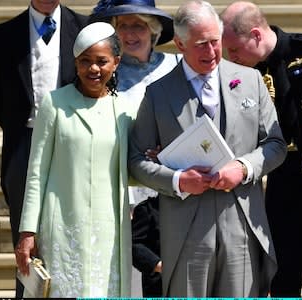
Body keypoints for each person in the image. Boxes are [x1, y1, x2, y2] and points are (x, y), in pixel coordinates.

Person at [128, 0, 287, 297]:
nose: (212, 52)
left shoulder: (252, 80)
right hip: (185, 229)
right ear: (179, 43)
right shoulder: (158, 93)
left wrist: (244, 168)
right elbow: (136, 160)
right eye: (201, 44)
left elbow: (275, 145)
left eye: (215, 42)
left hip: (241, 222)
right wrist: (177, 180)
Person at [220, 1, 302, 296]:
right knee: (283, 273)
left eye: (235, 50)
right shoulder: (240, 73)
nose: (231, 57)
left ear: (256, 35)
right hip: (281, 183)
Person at [14, 22, 136, 297]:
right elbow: (37, 172)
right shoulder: (54, 103)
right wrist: (27, 232)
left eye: (101, 61)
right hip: (62, 228)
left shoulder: (125, 109)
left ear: (116, 62)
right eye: (85, 61)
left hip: (109, 232)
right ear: (76, 63)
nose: (93, 69)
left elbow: (133, 167)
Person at [0, 1, 86, 297]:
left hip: (73, 142)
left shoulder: (83, 26)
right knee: (25, 233)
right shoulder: (5, 33)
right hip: (25, 143)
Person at [90, 0, 181, 295]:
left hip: (170, 186)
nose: (130, 33)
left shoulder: (175, 66)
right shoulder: (105, 73)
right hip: (123, 188)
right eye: (123, 26)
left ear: (153, 30)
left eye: (138, 25)